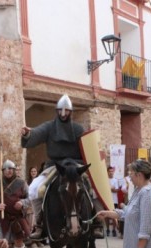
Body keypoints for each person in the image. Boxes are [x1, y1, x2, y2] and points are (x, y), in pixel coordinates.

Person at [21, 94, 103, 239]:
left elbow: (89, 148)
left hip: (76, 165)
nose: (63, 114)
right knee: (34, 188)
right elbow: (37, 133)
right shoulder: (49, 127)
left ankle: (97, 222)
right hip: (55, 165)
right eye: (60, 111)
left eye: (66, 111)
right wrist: (28, 134)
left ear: (71, 112)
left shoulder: (78, 129)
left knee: (95, 187)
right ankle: (39, 224)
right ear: (56, 111)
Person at [107, 166, 123, 237]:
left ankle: (114, 230)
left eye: (112, 171)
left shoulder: (115, 180)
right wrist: (110, 188)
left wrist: (111, 189)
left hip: (114, 200)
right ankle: (107, 229)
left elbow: (116, 190)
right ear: (107, 172)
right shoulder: (105, 179)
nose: (111, 173)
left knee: (113, 215)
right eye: (109, 171)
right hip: (107, 200)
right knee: (107, 215)